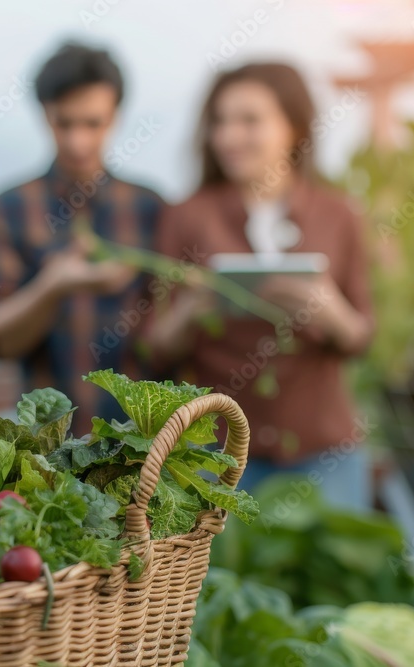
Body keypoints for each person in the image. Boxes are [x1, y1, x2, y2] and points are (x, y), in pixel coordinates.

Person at [144, 63, 375, 511]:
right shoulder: (187, 217)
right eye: (220, 121)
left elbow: (361, 337)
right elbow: (153, 348)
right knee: (220, 581)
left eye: (249, 120)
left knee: (336, 579)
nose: (228, 136)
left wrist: (329, 311)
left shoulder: (338, 214)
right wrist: (195, 307)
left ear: (293, 127)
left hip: (324, 448)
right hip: (218, 455)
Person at [0, 42, 163, 434]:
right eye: (65, 123)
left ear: (115, 115)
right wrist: (54, 285)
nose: (78, 141)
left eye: (93, 124)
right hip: (48, 445)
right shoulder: (7, 210)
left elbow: (166, 339)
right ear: (45, 114)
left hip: (143, 442)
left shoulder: (152, 209)